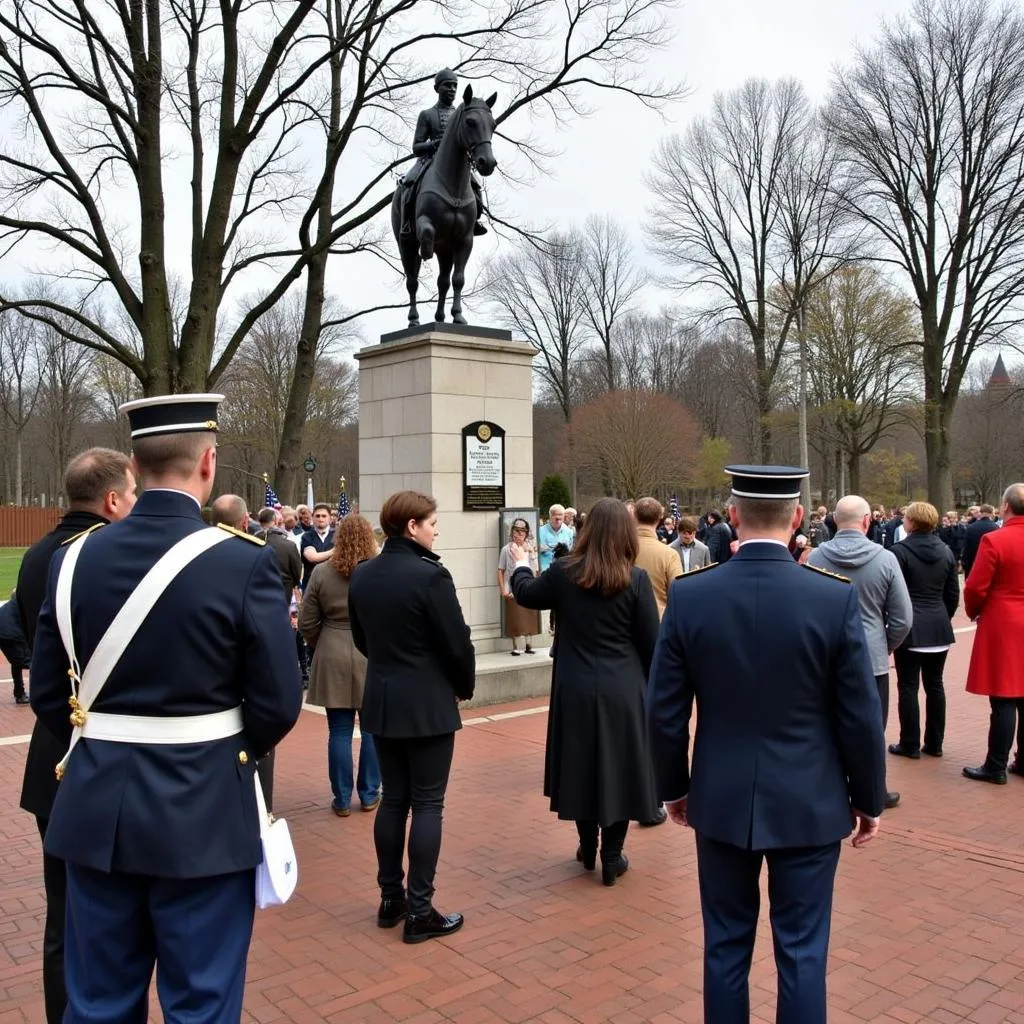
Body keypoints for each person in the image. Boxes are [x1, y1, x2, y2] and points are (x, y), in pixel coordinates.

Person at [28, 396, 302, 1022]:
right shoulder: (244, 560)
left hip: (96, 809)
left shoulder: (73, 559)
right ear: (208, 463)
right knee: (200, 1005)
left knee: (97, 1005)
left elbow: (50, 693)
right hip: (204, 811)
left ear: (135, 462)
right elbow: (278, 703)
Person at [647, 465, 885, 1024]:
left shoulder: (692, 596)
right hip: (810, 797)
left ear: (733, 516)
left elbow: (664, 712)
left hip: (722, 796)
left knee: (725, 946)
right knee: (802, 951)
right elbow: (859, 715)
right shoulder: (831, 599)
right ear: (798, 518)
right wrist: (868, 796)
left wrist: (675, 787)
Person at [16, 447, 137, 1024]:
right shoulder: (99, 556)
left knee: (61, 913)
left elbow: (29, 656)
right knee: (109, 918)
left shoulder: (39, 553)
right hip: (97, 754)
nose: (135, 505)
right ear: (112, 500)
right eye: (131, 494)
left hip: (50, 752)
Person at [508, 498, 661, 886]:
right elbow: (651, 644)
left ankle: (587, 846)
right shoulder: (635, 578)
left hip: (575, 684)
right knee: (620, 768)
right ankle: (612, 855)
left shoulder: (564, 571)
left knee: (580, 765)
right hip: (622, 687)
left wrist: (522, 559)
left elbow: (524, 592)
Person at [348, 491, 475, 944]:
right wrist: (462, 686)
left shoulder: (363, 574)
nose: (436, 529)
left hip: (382, 700)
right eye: (432, 522)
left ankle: (391, 898)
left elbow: (363, 639)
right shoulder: (430, 577)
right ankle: (419, 910)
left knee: (394, 801)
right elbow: (456, 643)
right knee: (427, 803)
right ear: (411, 527)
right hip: (426, 703)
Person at [809, 495, 913, 809]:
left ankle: (829, 785)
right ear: (867, 520)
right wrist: (886, 644)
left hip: (826, 656)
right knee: (871, 728)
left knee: (825, 723)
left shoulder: (816, 558)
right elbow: (902, 617)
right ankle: (872, 791)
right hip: (871, 657)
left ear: (835, 521)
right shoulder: (885, 559)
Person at [300, 514, 382, 815]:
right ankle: (370, 792)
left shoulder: (321, 572)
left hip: (332, 647)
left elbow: (307, 622)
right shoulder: (377, 571)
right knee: (372, 728)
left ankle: (342, 797)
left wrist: (321, 642)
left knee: (339, 730)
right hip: (370, 651)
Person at [887, 502, 959, 761]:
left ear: (913, 522)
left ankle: (910, 743)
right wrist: (943, 617)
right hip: (938, 624)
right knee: (935, 685)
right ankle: (935, 742)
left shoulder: (898, 552)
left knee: (908, 686)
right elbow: (952, 594)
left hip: (911, 625)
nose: (902, 520)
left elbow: (893, 594)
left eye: (906, 517)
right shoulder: (946, 551)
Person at [962, 484, 1024, 784]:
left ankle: (995, 765)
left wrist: (974, 610)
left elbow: (975, 587)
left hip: (1004, 622)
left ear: (1005, 507)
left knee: (1003, 698)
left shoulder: (995, 540)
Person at [399, 68, 486, 237]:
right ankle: (407, 223)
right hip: (430, 160)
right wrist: (434, 144)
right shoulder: (427, 115)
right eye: (447, 85)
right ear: (437, 88)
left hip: (458, 163)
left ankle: (474, 221)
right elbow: (416, 147)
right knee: (408, 184)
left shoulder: (460, 115)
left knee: (475, 186)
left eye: (455, 86)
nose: (452, 89)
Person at [633, 497, 683, 619]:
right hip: (658, 622)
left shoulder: (618, 549)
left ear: (634, 516)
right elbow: (678, 594)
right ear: (660, 517)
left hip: (622, 625)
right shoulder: (669, 555)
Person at [496, 518, 541, 655]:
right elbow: (500, 570)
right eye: (516, 531)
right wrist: (503, 589)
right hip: (512, 585)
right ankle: (516, 646)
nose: (519, 534)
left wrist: (532, 553)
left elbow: (536, 570)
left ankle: (529, 644)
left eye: (522, 531)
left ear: (526, 534)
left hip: (529, 584)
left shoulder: (530, 548)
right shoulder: (506, 549)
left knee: (530, 614)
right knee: (514, 616)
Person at [255, 506, 302, 605]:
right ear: (276, 522)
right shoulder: (289, 545)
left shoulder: (250, 542)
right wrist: (294, 583)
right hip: (283, 589)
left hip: (257, 589)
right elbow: (297, 571)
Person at [0, 594, 31, 704]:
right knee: (32, 662)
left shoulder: (11, 604)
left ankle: (19, 693)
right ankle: (37, 693)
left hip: (4, 632)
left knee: (17, 663)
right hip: (12, 633)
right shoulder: (24, 605)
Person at [300, 502, 335, 588]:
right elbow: (313, 558)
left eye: (324, 516)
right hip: (311, 584)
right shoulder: (307, 536)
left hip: (333, 584)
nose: (320, 518)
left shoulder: (339, 535)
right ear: (312, 518)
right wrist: (335, 550)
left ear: (330, 519)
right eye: (317, 516)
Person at [962, 503, 1000, 578]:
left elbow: (966, 547)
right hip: (989, 563)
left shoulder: (970, 527)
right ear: (991, 513)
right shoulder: (996, 528)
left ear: (981, 513)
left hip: (972, 563)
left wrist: (964, 563)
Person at [538, 504, 574, 572]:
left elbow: (570, 552)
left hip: (563, 570)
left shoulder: (569, 532)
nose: (557, 517)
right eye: (554, 514)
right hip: (544, 571)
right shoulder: (540, 531)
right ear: (550, 516)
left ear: (564, 517)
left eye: (560, 514)